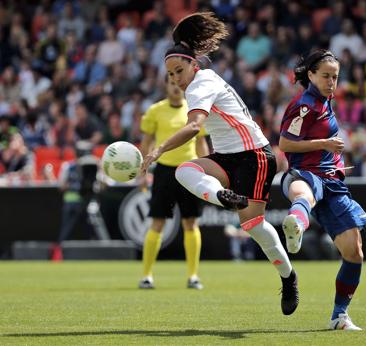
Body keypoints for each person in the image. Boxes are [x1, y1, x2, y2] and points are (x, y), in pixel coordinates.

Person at [141, 12, 298, 315]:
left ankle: (288, 278)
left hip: (254, 155)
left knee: (253, 226)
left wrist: (158, 149)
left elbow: (194, 127)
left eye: (178, 71)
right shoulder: (199, 82)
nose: (175, 79)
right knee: (185, 171)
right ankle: (224, 197)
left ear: (193, 64)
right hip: (227, 157)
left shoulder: (202, 83)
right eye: (170, 75)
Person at [278, 49, 366, 330]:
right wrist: (325, 145)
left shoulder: (325, 102)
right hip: (306, 174)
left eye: (335, 77)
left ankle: (338, 316)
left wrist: (336, 163)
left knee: (354, 252)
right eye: (326, 76)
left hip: (332, 183)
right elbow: (285, 144)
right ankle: (296, 223)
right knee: (303, 193)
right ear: (310, 75)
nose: (332, 82)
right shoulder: (305, 105)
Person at [138, 76, 209, 290]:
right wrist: (142, 173)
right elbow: (146, 143)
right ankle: (147, 275)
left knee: (190, 223)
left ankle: (193, 276)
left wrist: (207, 171)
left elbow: (201, 143)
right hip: (164, 171)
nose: (176, 87)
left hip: (190, 171)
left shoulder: (194, 111)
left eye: (179, 83)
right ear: (166, 86)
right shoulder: (155, 111)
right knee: (157, 223)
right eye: (171, 83)